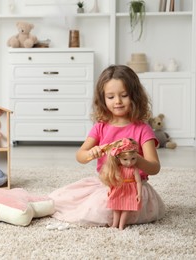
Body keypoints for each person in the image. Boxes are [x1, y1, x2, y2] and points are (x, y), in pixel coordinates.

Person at [49, 64, 165, 227]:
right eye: (110, 97)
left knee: (104, 209)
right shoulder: (101, 126)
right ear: (102, 99)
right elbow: (80, 155)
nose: (117, 101)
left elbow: (155, 167)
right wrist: (92, 153)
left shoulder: (142, 129)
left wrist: (135, 159)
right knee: (63, 198)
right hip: (107, 185)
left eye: (124, 95)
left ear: (135, 96)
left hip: (133, 189)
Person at [99, 138, 142, 230]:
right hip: (118, 188)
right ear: (119, 158)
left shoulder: (134, 169)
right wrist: (110, 188)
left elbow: (138, 182)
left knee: (126, 209)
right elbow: (112, 178)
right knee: (116, 208)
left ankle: (121, 226)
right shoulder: (117, 168)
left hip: (130, 191)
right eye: (125, 159)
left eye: (133, 159)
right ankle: (115, 224)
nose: (129, 162)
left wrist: (139, 193)